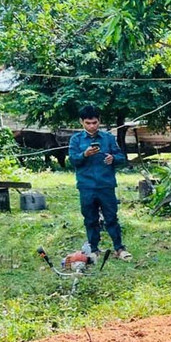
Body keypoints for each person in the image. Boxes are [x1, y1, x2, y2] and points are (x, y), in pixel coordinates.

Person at [67, 105, 131, 260]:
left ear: (99, 121)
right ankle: (94, 249)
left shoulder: (108, 138)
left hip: (106, 185)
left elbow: (122, 158)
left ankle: (119, 248)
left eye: (95, 122)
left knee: (111, 218)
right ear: (81, 122)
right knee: (90, 219)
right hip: (86, 186)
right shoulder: (76, 140)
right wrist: (84, 154)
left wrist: (113, 158)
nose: (92, 126)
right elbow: (72, 161)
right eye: (88, 123)